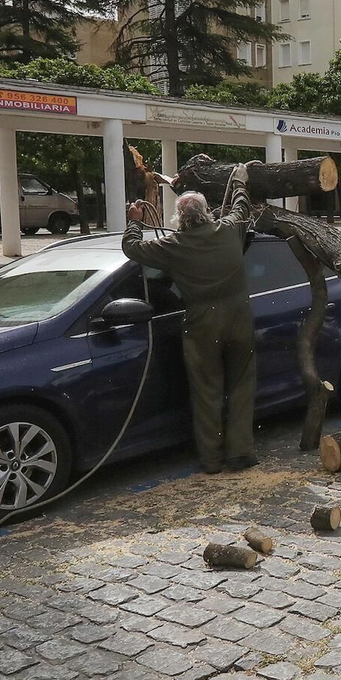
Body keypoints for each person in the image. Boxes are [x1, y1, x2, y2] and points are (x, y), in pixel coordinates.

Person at [122, 164, 258, 475]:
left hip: (202, 325)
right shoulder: (228, 230)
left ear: (179, 220)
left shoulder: (173, 246)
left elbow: (131, 248)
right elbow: (241, 206)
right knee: (241, 386)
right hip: (239, 319)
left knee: (207, 391)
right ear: (207, 213)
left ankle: (211, 460)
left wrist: (135, 222)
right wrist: (238, 180)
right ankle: (240, 453)